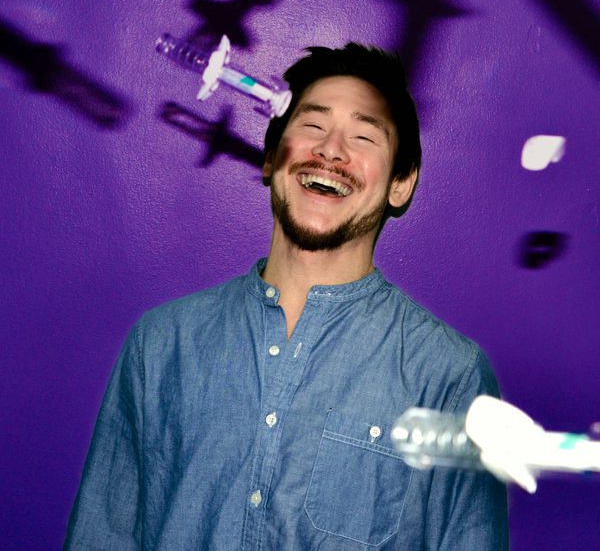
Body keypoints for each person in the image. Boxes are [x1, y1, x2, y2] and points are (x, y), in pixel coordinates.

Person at [64, 43, 508, 550]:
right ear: (271, 158)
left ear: (400, 184)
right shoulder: (161, 344)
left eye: (364, 135)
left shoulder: (448, 374)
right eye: (313, 125)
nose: (332, 151)